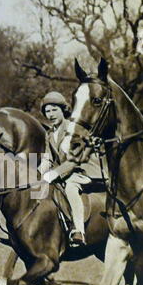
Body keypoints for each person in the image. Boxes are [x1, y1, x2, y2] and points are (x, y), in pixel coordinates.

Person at [40, 91, 103, 247]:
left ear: (63, 110)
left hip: (85, 170)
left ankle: (79, 231)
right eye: (47, 111)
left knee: (71, 187)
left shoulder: (74, 129)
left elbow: (73, 162)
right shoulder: (49, 134)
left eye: (54, 109)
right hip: (65, 172)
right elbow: (47, 159)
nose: (51, 114)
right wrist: (38, 174)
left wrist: (54, 173)